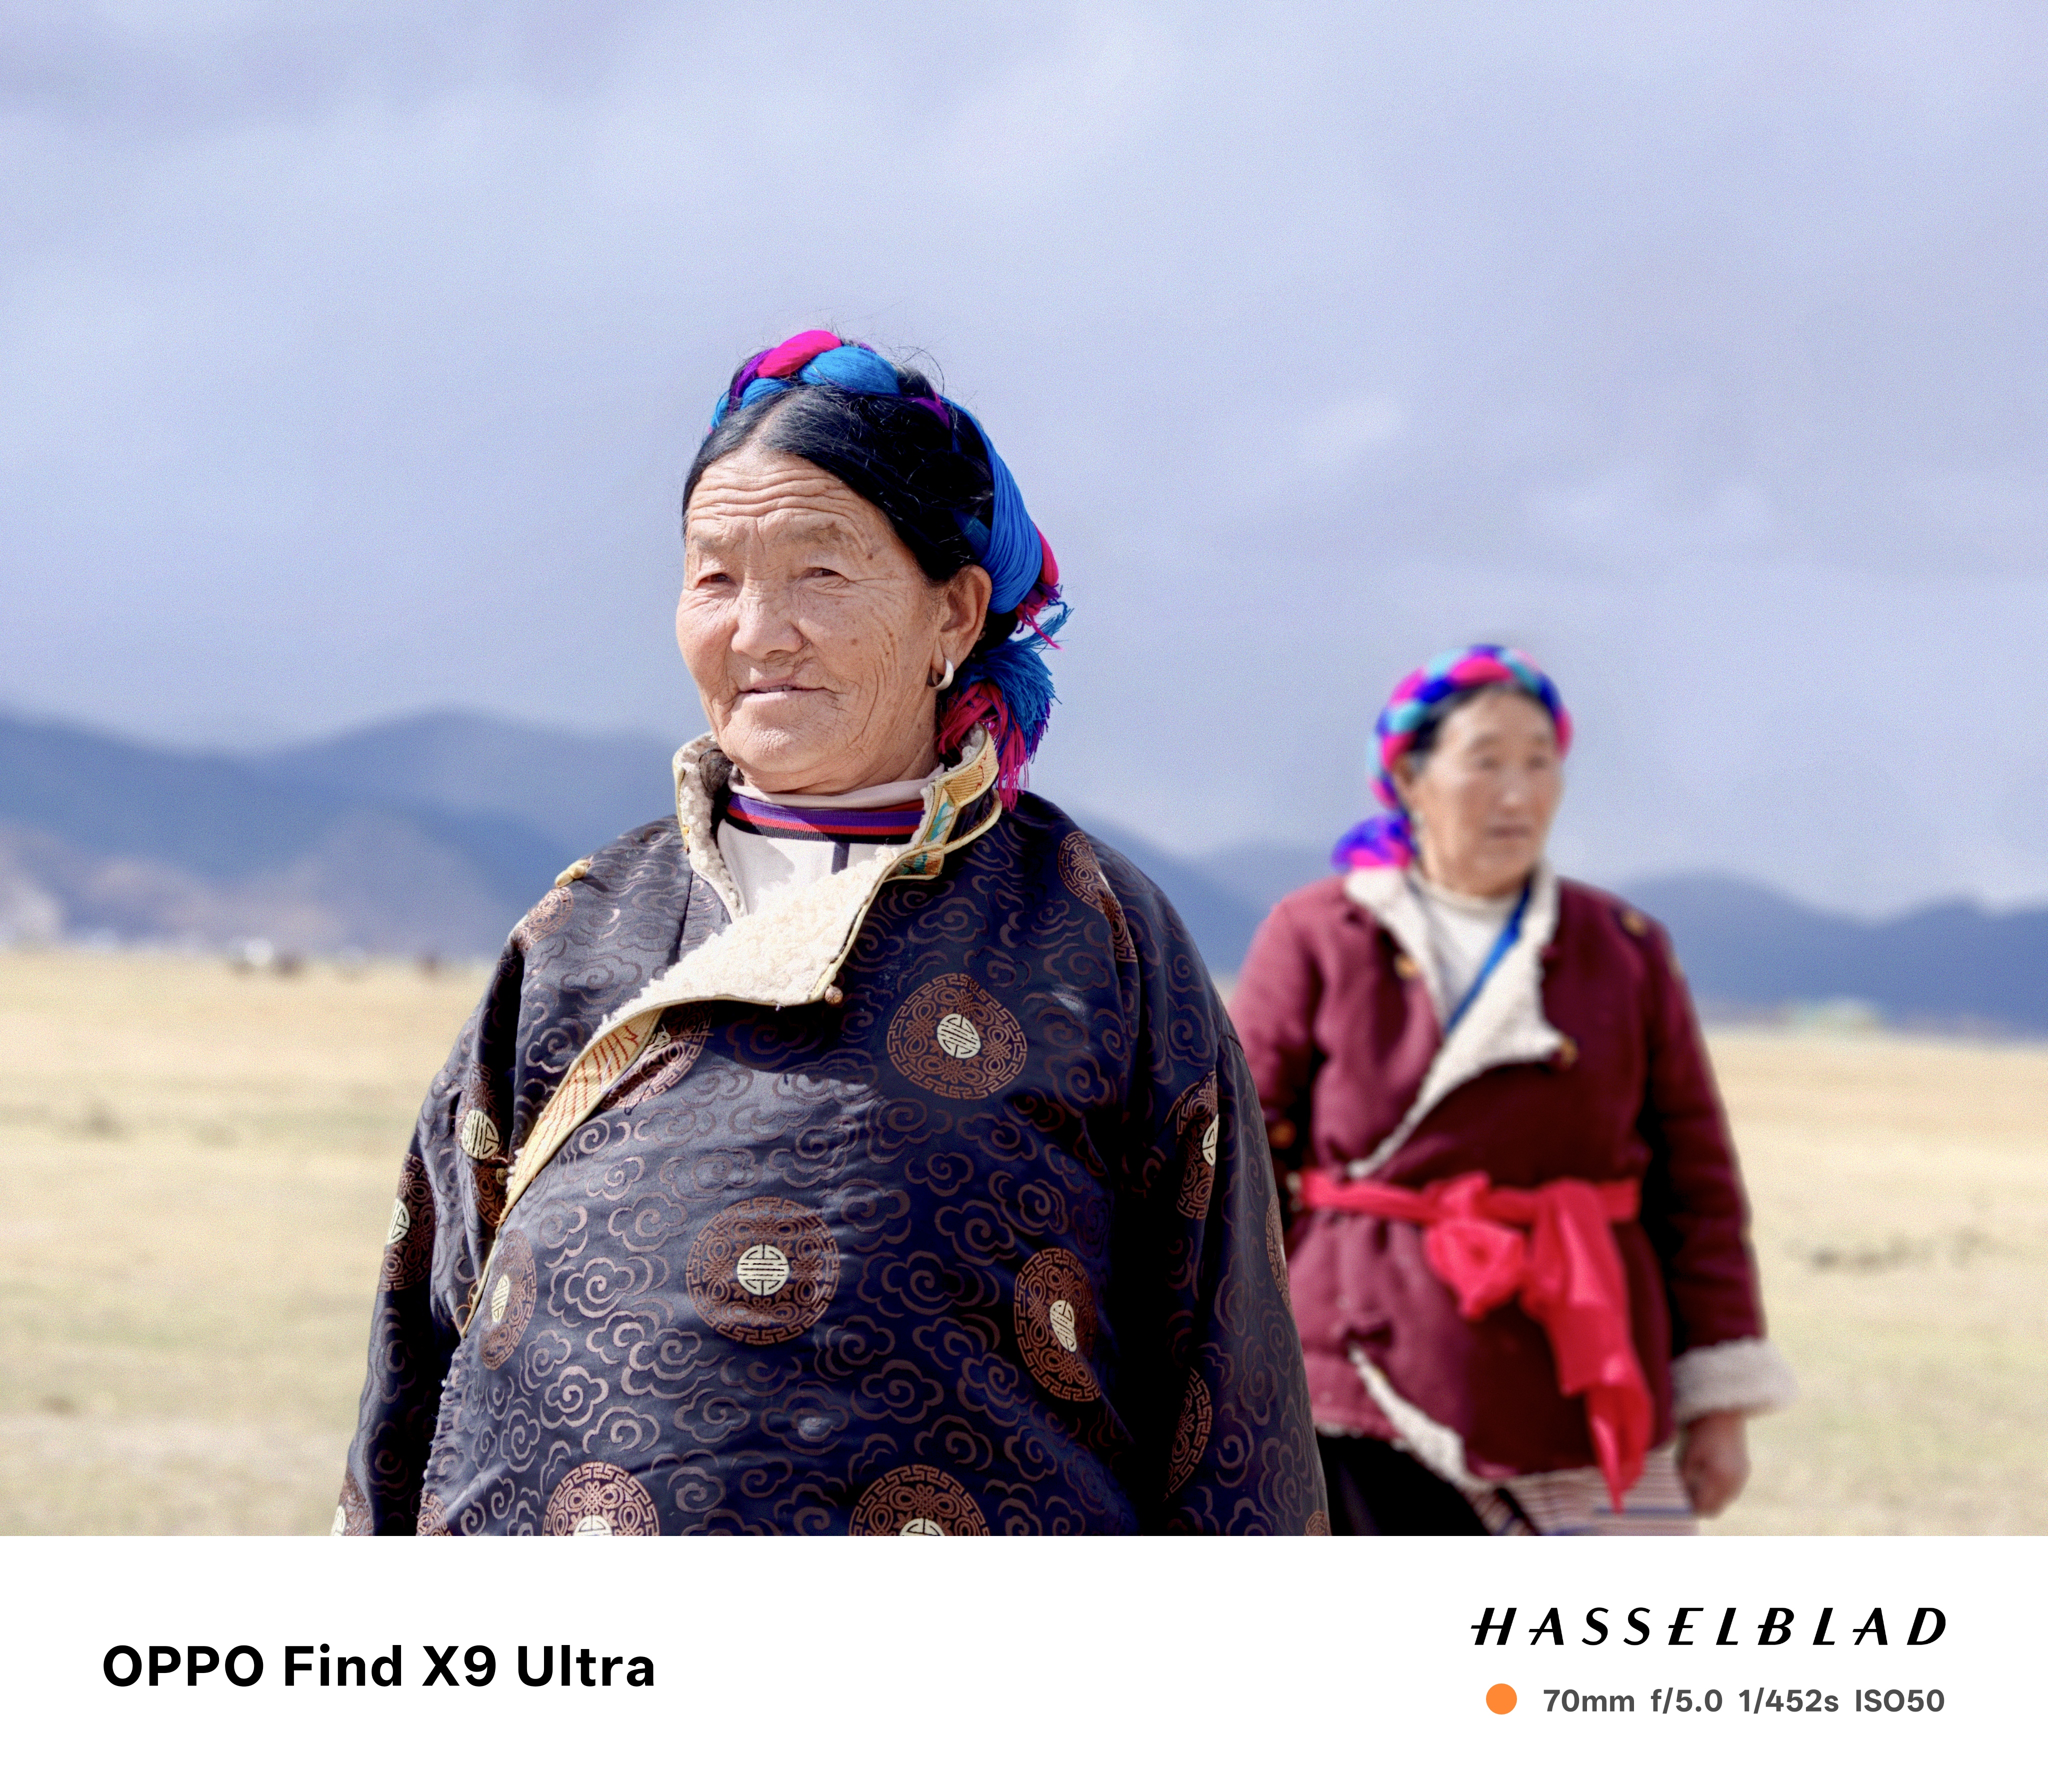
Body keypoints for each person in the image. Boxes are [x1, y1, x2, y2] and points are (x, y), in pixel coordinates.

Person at [336, 330, 1324, 1536]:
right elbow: (421, 1333)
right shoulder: (578, 930)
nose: (758, 631)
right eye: (714, 579)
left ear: (954, 611)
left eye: (818, 572)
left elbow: (1229, 1382)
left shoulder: (1091, 936)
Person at [1230, 646, 1794, 1534]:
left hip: (1582, 1365)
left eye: (1540, 763)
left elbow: (1697, 1189)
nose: (1518, 794)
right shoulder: (1320, 935)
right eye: (1486, 761)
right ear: (1410, 779)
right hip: (1359, 1374)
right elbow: (1238, 1164)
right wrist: (1223, 1364)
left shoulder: (1624, 948)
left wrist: (1718, 1402)